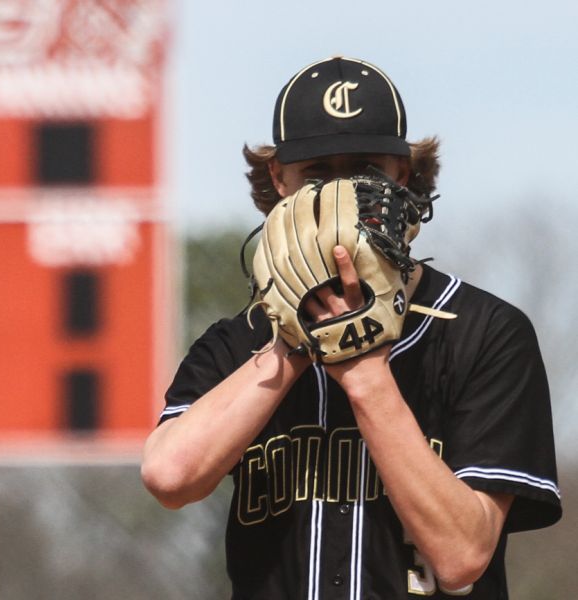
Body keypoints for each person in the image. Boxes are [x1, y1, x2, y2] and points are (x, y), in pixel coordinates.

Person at [141, 56, 561, 598]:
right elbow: (170, 476)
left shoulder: (484, 332)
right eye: (317, 174)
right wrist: (295, 339)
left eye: (362, 172)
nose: (339, 195)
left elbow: (462, 555)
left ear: (402, 175)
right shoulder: (241, 341)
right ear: (279, 180)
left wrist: (364, 374)